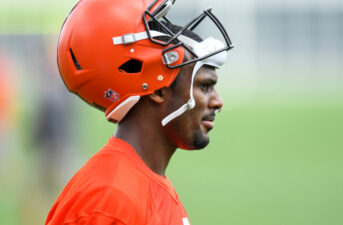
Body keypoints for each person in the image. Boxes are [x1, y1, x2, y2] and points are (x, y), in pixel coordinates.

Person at [45, 0, 233, 224]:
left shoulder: (141, 183)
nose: (218, 102)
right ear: (159, 90)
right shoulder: (110, 199)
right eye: (204, 86)